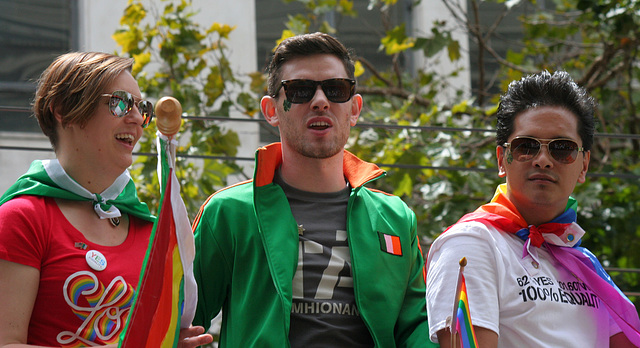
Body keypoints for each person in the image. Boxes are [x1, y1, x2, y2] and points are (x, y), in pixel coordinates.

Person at [191, 32, 434, 347]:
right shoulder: (228, 213)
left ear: (355, 108)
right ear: (271, 110)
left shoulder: (396, 219)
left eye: (336, 89)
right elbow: (177, 322)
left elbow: (419, 328)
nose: (320, 101)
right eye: (300, 90)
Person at [0, 52, 212, 348]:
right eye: (120, 102)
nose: (138, 119)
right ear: (64, 111)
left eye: (142, 107)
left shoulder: (146, 227)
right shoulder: (22, 218)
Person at [425, 70, 640, 347]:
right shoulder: (470, 243)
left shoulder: (584, 265)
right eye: (526, 146)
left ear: (583, 165)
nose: (543, 160)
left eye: (562, 148)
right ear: (502, 159)